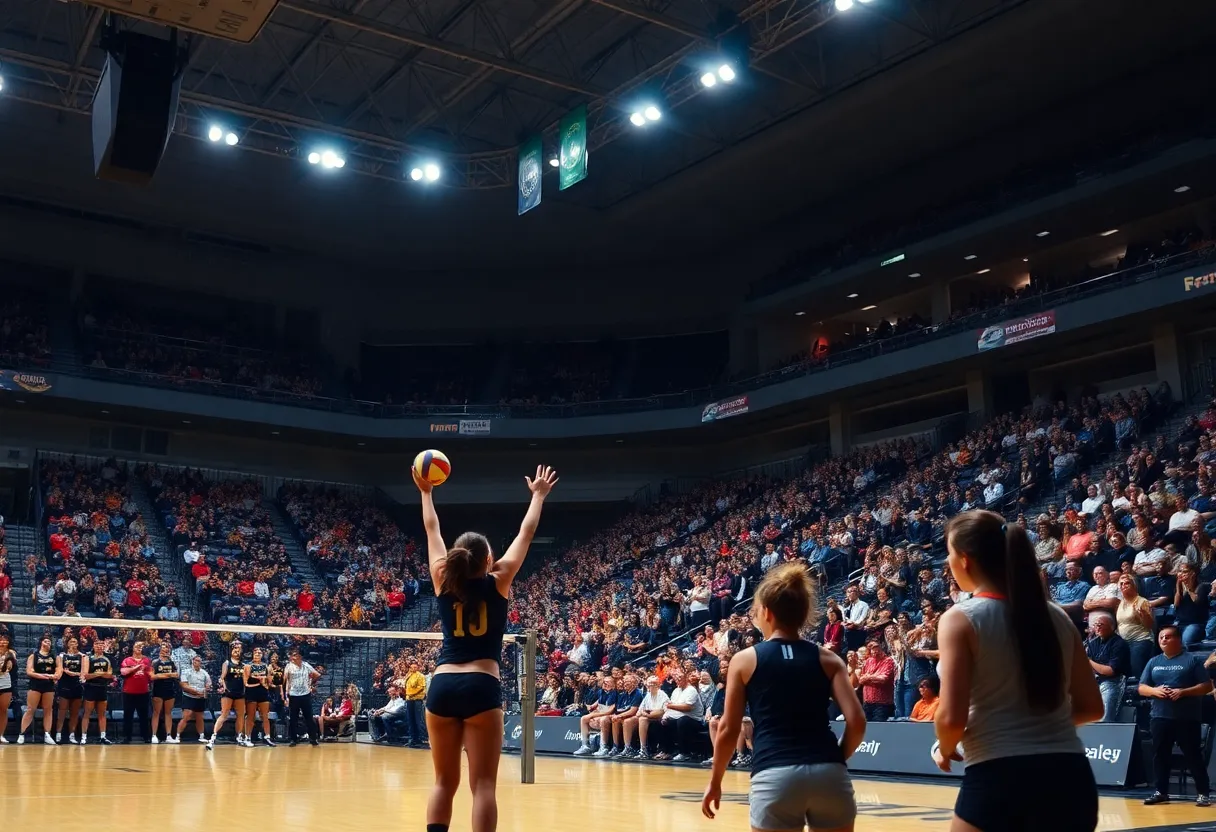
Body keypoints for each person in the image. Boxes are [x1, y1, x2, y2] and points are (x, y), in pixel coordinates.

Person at [933, 510, 1104, 832]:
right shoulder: (1058, 617)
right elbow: (1092, 708)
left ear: (965, 560)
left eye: (949, 553)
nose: (948, 562)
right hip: (1071, 778)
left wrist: (944, 748)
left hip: (1000, 777)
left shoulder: (960, 618)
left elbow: (951, 718)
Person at [416, 463, 558, 832]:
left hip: (443, 684)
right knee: (483, 786)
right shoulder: (500, 580)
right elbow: (527, 532)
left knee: (443, 783)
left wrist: (426, 492)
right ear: (488, 561)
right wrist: (538, 495)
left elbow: (432, 528)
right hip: (482, 684)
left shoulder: (441, 578)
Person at [702, 561, 865, 831]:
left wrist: (715, 781)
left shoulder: (743, 661)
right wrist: (835, 759)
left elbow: (730, 729)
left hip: (774, 774)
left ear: (766, 612)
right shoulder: (829, 659)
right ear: (803, 613)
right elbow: (857, 721)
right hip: (829, 773)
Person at [1139, 625, 1213, 806]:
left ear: (1179, 640)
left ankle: (1203, 793)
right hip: (1159, 716)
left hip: (1186, 717)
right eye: (1161, 637)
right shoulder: (1154, 662)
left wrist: (1183, 692)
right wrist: (1155, 691)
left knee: (1192, 755)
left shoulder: (1192, 660)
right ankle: (1161, 791)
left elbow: (1207, 686)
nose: (1163, 639)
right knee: (1160, 755)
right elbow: (1142, 687)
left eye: (1168, 637)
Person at [18, 634, 58, 744]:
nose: (48, 643)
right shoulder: (33, 656)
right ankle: (22, 734)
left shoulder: (55, 656)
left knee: (48, 710)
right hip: (35, 684)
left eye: (49, 642)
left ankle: (47, 735)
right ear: (41, 643)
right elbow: (29, 672)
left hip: (48, 685)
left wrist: (53, 676)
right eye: (46, 641)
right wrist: (45, 676)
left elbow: (58, 672)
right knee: (30, 709)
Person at [208, 642, 247, 749]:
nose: (236, 651)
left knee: (241, 715)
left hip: (240, 693)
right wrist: (223, 686)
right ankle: (213, 737)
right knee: (224, 714)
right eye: (234, 650)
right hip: (228, 692)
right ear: (231, 651)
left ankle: (239, 736)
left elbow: (245, 680)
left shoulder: (244, 665)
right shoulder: (227, 663)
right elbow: (222, 677)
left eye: (238, 650)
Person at [283, 648, 321, 746]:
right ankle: (293, 739)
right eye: (292, 655)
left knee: (309, 717)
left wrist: (311, 684)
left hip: (305, 694)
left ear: (300, 656)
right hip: (293, 695)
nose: (293, 657)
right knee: (293, 718)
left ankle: (313, 738)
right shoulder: (289, 666)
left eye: (295, 655)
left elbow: (317, 674)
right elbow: (285, 679)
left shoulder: (306, 665)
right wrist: (286, 693)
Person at [81, 638, 114, 744]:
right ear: (93, 646)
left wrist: (98, 674)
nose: (99, 646)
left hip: (102, 687)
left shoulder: (107, 659)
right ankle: (83, 737)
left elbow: (110, 675)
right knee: (87, 713)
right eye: (97, 644)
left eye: (101, 644)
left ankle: (103, 737)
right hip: (91, 687)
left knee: (102, 714)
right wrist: (100, 674)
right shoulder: (88, 658)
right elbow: (86, 675)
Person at [120, 640, 153, 744]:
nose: (139, 648)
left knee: (144, 716)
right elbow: (123, 672)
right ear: (133, 648)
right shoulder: (127, 660)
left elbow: (151, 675)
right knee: (128, 715)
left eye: (141, 646)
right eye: (137, 646)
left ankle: (146, 736)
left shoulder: (147, 660)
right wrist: (136, 667)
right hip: (129, 692)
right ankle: (127, 737)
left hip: (143, 692)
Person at [54, 635, 86, 744]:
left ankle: (72, 735)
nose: (73, 643)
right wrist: (64, 672)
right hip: (64, 684)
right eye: (71, 641)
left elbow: (83, 672)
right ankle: (58, 734)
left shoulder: (82, 656)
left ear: (78, 644)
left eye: (75, 642)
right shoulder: (61, 655)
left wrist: (73, 673)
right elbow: (59, 669)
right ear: (67, 644)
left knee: (74, 712)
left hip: (77, 685)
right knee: (62, 711)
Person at [174, 654, 211, 743]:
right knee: (186, 716)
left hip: (201, 698)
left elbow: (208, 685)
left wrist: (204, 693)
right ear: (192, 661)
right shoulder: (186, 672)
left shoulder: (204, 673)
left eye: (199, 661)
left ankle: (201, 736)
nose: (197, 662)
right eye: (196, 660)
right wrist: (196, 692)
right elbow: (184, 685)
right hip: (189, 697)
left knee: (199, 717)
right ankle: (177, 736)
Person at [244, 647, 275, 746]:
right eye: (255, 652)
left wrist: (269, 678)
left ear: (262, 655)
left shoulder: (266, 666)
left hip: (263, 693)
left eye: (259, 652)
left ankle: (267, 737)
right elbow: (246, 683)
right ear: (252, 654)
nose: (257, 654)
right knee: (251, 716)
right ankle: (247, 737)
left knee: (265, 716)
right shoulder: (248, 666)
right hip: (252, 692)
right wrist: (259, 681)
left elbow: (270, 682)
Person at [150, 641, 178, 744]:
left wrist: (162, 675)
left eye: (166, 647)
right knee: (156, 712)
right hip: (158, 689)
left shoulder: (172, 662)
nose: (164, 649)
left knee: (168, 713)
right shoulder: (155, 662)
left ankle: (169, 736)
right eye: (163, 647)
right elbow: (153, 676)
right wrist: (168, 675)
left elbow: (176, 675)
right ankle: (154, 735)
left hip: (170, 689)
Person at [0, 634, 15, 743]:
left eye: (5, 641)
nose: (3, 642)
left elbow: (9, 667)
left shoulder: (11, 653)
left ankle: (1, 735)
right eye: (1, 640)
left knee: (3, 710)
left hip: (5, 683)